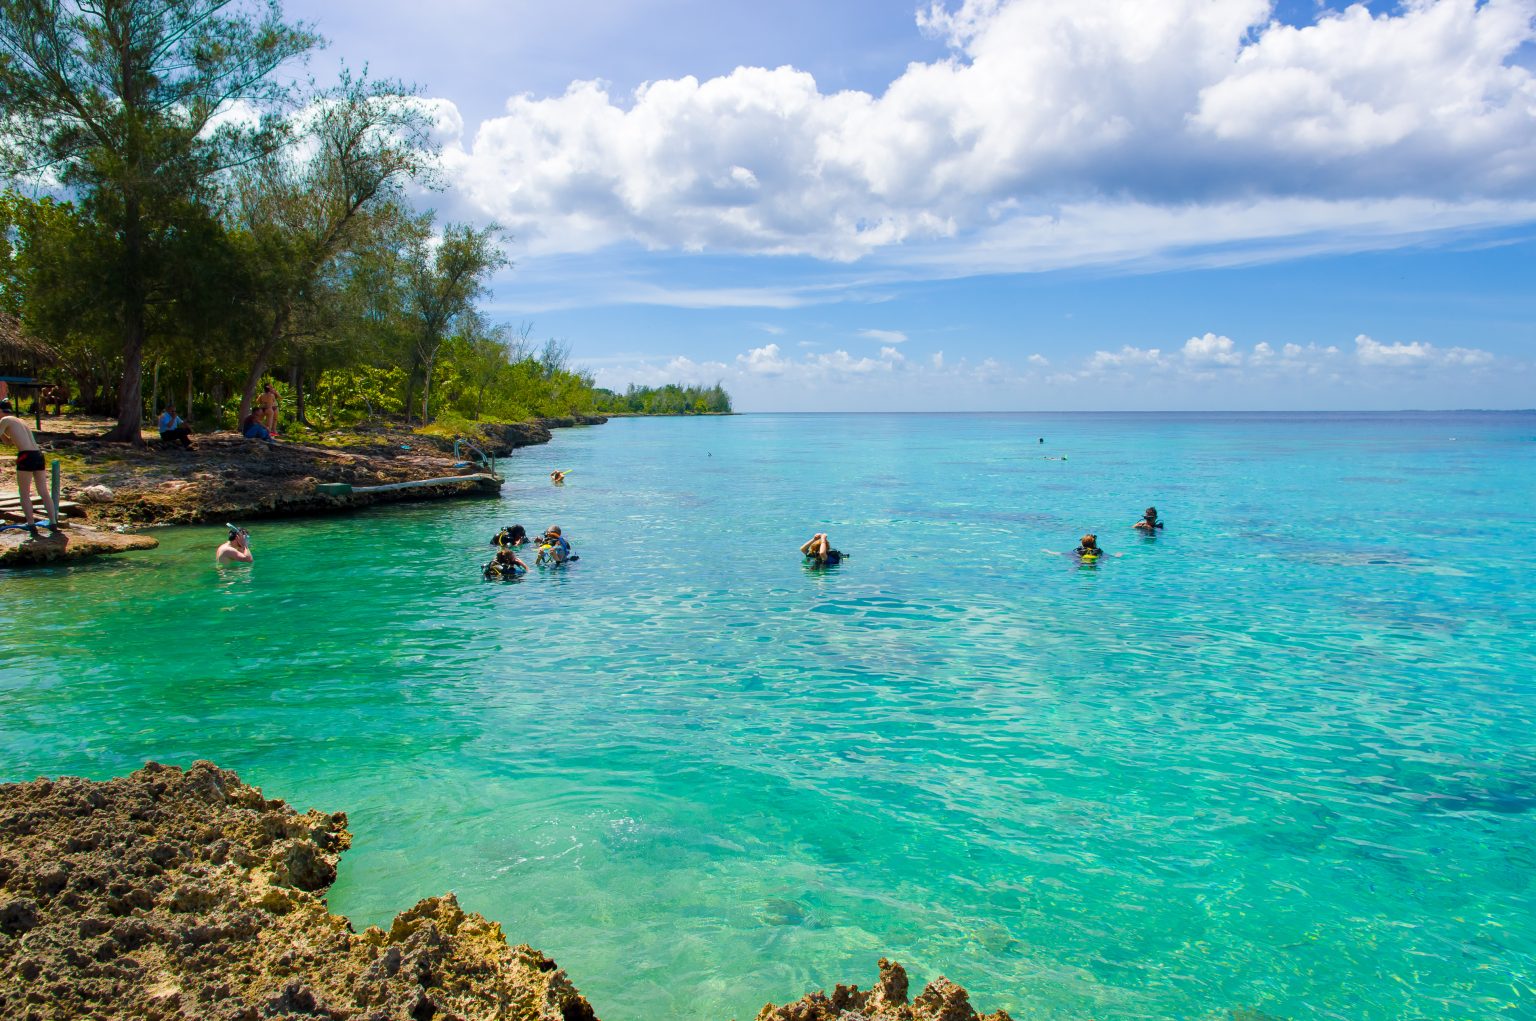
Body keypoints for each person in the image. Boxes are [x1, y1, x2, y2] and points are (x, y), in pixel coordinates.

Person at [0, 399, 62, 536]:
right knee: (43, 491)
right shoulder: (20, 421)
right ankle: (53, 522)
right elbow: (9, 442)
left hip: (25, 456)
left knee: (24, 493)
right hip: (38, 455)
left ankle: (31, 524)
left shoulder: (4, 421)